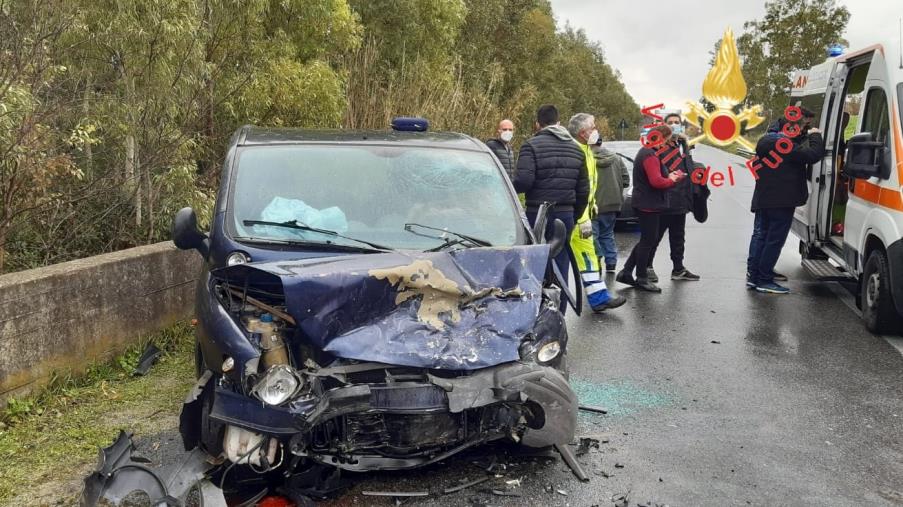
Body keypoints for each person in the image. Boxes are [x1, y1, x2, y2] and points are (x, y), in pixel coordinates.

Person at [514, 105, 589, 312]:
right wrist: (573, 217)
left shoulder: (531, 145)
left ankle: (535, 315)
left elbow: (523, 181)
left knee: (534, 265)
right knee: (561, 266)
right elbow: (584, 191)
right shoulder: (576, 149)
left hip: (537, 213)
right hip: (565, 215)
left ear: (538, 124)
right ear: (558, 122)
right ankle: (559, 315)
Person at [747, 107, 824, 294]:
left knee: (761, 236)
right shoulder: (786, 145)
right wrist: (815, 136)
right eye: (802, 125)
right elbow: (812, 155)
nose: (804, 128)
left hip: (764, 198)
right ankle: (764, 280)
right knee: (774, 240)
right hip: (781, 201)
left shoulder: (768, 140)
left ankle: (754, 275)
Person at [616, 124, 686, 292]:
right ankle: (641, 277)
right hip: (648, 205)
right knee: (648, 241)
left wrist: (668, 176)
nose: (667, 143)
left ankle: (626, 272)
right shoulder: (649, 154)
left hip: (647, 203)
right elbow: (656, 181)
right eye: (667, 139)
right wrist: (672, 180)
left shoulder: (648, 152)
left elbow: (655, 177)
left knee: (646, 240)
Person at [567, 113, 626, 311]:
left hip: (585, 214)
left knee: (588, 256)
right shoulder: (576, 152)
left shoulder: (587, 151)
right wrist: (581, 216)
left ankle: (599, 298)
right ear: (583, 133)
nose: (596, 130)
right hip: (577, 217)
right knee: (577, 257)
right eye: (593, 127)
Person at [645, 113, 701, 282]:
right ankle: (647, 266)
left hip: (681, 200)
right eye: (671, 123)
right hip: (665, 199)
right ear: (664, 126)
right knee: (655, 236)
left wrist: (686, 145)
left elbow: (689, 169)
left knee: (678, 237)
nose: (674, 125)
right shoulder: (659, 148)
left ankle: (678, 268)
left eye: (677, 123)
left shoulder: (681, 146)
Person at [591, 137, 630, 272]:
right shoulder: (616, 158)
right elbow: (626, 180)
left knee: (593, 235)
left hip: (593, 204)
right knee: (607, 233)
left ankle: (596, 259)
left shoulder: (587, 159)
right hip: (613, 204)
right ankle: (611, 262)